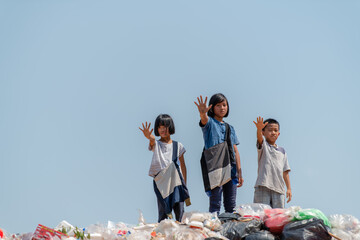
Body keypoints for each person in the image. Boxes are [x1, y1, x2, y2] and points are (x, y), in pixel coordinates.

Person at [194, 94, 244, 214]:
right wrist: (202, 113)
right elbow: (204, 120)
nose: (222, 108)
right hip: (215, 168)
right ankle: (214, 228)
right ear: (212, 108)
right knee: (215, 203)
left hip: (230, 168)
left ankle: (229, 230)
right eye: (218, 105)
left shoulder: (230, 128)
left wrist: (239, 172)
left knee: (231, 204)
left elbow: (235, 150)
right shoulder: (210, 124)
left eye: (224, 105)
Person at [139, 114, 190, 222]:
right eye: (160, 127)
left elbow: (183, 166)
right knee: (163, 212)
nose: (163, 130)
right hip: (162, 183)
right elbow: (152, 140)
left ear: (170, 127)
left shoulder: (178, 145)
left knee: (179, 211)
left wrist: (184, 184)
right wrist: (149, 136)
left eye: (165, 127)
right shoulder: (157, 145)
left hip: (176, 183)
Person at [253, 116, 292, 208]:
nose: (273, 133)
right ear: (263, 132)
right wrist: (258, 129)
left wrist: (289, 188)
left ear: (278, 133)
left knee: (278, 217)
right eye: (270, 130)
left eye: (275, 130)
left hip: (279, 189)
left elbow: (285, 171)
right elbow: (259, 138)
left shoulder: (282, 151)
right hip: (263, 186)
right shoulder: (264, 146)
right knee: (262, 215)